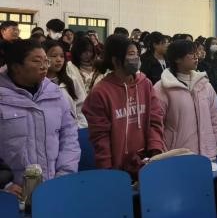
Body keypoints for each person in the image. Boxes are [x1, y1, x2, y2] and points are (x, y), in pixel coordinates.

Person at [83, 35, 165, 177]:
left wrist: (155, 150)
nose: (136, 58)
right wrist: (107, 170)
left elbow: (155, 120)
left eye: (137, 54)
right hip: (117, 169)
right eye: (131, 54)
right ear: (115, 60)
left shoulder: (145, 84)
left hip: (147, 163)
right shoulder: (100, 92)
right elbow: (100, 137)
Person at [0, 39, 80, 184]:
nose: (44, 66)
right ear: (16, 67)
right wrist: (4, 184)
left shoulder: (54, 93)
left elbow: (69, 136)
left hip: (54, 184)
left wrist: (64, 174)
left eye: (45, 61)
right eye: (37, 61)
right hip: (13, 190)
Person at [154, 40, 217, 159]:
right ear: (177, 59)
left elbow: (215, 117)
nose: (196, 57)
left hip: (208, 153)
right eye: (191, 54)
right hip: (177, 154)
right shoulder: (162, 88)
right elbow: (157, 124)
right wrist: (162, 152)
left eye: (196, 53)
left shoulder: (205, 85)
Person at [43, 40, 87, 127]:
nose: (59, 60)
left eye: (62, 56)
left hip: (72, 129)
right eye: (54, 56)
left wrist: (80, 126)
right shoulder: (38, 83)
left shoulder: (71, 81)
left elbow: (81, 105)